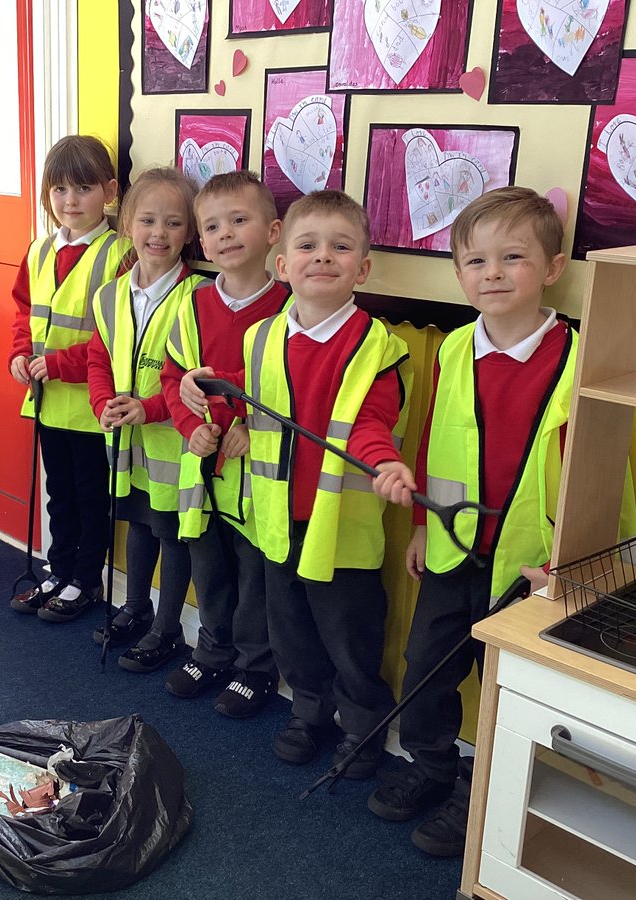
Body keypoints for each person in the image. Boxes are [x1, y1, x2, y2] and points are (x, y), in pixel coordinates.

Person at [367, 186, 573, 858]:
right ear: (458, 272)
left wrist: (567, 562)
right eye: (476, 261)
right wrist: (424, 524)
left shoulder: (577, 359)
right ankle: (432, 767)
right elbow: (434, 437)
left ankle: (482, 789)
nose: (493, 273)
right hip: (455, 550)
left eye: (513, 257)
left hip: (528, 564)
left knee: (504, 684)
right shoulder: (455, 347)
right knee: (427, 667)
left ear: (552, 268)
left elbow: (594, 474)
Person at [184, 189, 411, 770]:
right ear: (284, 264)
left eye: (340, 247)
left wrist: (384, 461)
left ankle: (361, 725)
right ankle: (309, 710)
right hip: (276, 521)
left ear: (362, 269)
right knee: (292, 631)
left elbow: (371, 420)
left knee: (349, 633)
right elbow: (245, 391)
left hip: (341, 527)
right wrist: (200, 389)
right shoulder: (260, 336)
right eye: (308, 246)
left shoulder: (378, 347)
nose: (323, 256)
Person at [159, 171, 291, 717]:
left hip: (257, 477)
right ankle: (211, 651)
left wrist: (252, 425)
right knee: (209, 567)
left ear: (273, 232)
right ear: (202, 241)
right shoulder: (192, 305)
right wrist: (189, 427)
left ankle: (255, 667)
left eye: (239, 220)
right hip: (203, 469)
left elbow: (295, 390)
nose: (226, 234)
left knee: (254, 573)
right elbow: (172, 378)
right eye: (213, 227)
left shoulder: (290, 307)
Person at [86, 166, 208, 670]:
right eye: (148, 220)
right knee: (137, 523)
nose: (159, 233)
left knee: (171, 532)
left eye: (174, 223)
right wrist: (102, 403)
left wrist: (151, 408)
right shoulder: (110, 295)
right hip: (127, 445)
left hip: (174, 445)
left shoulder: (197, 296)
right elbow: (98, 358)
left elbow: (196, 380)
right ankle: (136, 608)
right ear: (128, 224)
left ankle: (168, 627)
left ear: (190, 231)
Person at [7, 135, 129, 620]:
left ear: (110, 191)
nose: (70, 201)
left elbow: (118, 333)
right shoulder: (39, 250)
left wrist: (62, 363)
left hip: (92, 405)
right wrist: (19, 353)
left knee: (90, 497)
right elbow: (24, 312)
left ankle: (85, 579)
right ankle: (58, 571)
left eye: (83, 188)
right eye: (59, 190)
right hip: (47, 402)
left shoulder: (121, 254)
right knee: (59, 494)